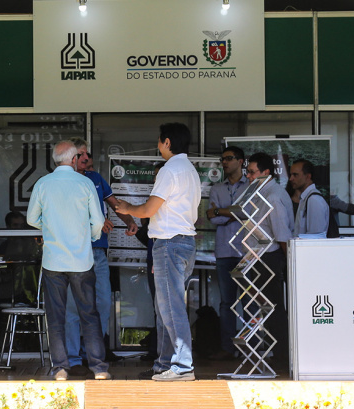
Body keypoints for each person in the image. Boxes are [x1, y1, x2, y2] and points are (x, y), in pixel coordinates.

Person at [115, 122, 200, 382]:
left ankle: (183, 366)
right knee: (166, 307)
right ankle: (164, 364)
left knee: (171, 307)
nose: (157, 145)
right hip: (185, 242)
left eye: (159, 141)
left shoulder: (170, 170)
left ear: (167, 142)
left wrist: (127, 207)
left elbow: (149, 210)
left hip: (169, 244)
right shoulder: (190, 170)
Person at [26, 139, 109, 381]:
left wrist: (50, 228)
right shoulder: (84, 183)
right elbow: (99, 221)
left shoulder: (43, 183)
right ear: (74, 160)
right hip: (82, 260)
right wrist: (88, 237)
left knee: (56, 315)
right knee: (89, 314)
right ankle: (99, 368)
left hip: (53, 261)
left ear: (55, 160)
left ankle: (60, 368)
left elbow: (32, 219)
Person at [64, 137, 138, 376]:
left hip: (98, 252)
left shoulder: (96, 179)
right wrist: (95, 223)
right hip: (75, 252)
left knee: (103, 303)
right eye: (81, 154)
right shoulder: (63, 182)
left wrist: (130, 220)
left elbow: (114, 204)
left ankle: (93, 353)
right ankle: (74, 359)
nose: (86, 158)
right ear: (72, 159)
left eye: (88, 154)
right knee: (74, 307)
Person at [244, 152, 296, 371]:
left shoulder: (273, 195)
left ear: (266, 172)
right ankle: (279, 355)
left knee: (275, 310)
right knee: (268, 309)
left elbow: (282, 234)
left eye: (252, 172)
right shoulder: (261, 191)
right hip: (260, 256)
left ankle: (284, 358)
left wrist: (287, 264)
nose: (248, 176)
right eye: (248, 172)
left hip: (271, 257)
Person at [206, 145, 248, 361]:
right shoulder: (217, 188)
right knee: (227, 302)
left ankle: (250, 347)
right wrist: (236, 212)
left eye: (229, 159)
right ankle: (228, 347)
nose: (224, 163)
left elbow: (250, 213)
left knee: (250, 301)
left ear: (241, 161)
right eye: (222, 159)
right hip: (224, 252)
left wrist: (224, 211)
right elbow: (213, 218)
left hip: (247, 251)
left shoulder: (251, 187)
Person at [290, 159, 329, 237]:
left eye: (295, 175)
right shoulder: (306, 198)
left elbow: (315, 237)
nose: (291, 179)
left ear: (308, 176)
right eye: (290, 175)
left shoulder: (314, 200)